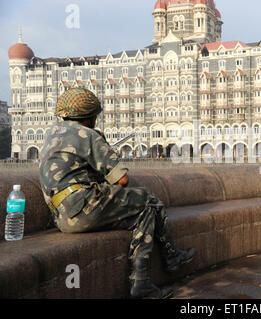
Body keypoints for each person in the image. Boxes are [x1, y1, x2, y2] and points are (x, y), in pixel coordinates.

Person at [39, 88, 195, 299]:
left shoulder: (51, 133)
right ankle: (158, 267)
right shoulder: (89, 135)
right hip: (83, 208)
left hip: (61, 216)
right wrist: (103, 145)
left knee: (141, 214)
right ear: (91, 117)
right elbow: (121, 180)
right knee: (148, 201)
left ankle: (163, 265)